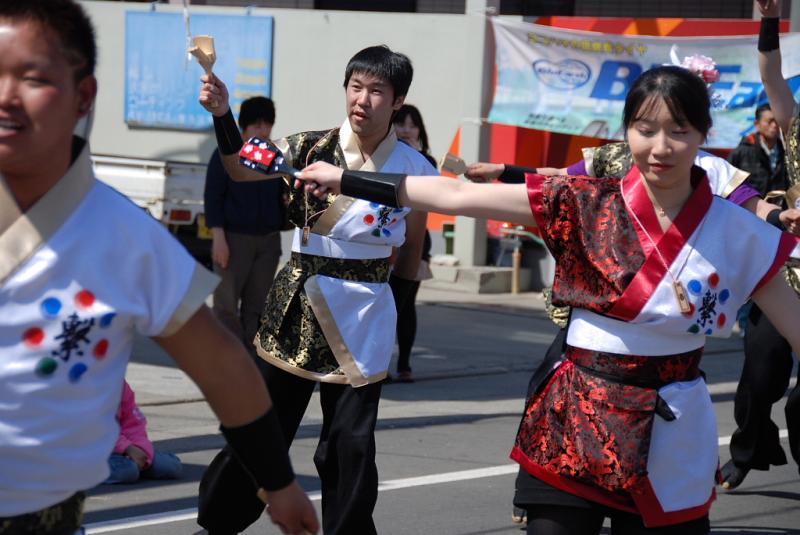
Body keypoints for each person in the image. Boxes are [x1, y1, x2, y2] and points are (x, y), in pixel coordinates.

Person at [298, 64, 800, 534]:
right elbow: (453, 196)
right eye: (646, 130)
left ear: (705, 136)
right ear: (625, 132)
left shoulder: (738, 233)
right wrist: (345, 179)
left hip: (672, 430)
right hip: (573, 417)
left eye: (680, 131)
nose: (661, 147)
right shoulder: (582, 200)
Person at [0, 2, 318, 534]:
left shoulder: (127, 240)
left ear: (84, 95)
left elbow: (224, 369)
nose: (6, 96)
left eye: (31, 77)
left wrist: (279, 484)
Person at [196, 45, 435, 535]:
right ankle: (217, 522)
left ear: (398, 99)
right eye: (355, 87)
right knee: (263, 428)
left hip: (367, 312)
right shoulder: (306, 147)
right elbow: (242, 164)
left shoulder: (416, 167)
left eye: (375, 91)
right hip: (299, 304)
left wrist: (405, 299)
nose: (362, 100)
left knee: (350, 442)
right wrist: (223, 114)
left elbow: (412, 243)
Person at [718, 0, 800, 491]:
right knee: (759, 370)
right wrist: (770, 18)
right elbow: (771, 73)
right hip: (788, 272)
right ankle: (748, 449)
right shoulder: (795, 129)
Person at [204, 95, 285, 362]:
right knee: (226, 305)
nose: (263, 131)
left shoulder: (275, 155)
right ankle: (228, 359)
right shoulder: (227, 154)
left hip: (268, 242)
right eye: (256, 126)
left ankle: (252, 361)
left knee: (257, 306)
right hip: (233, 239)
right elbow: (213, 196)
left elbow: (284, 199)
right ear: (243, 126)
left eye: (267, 125)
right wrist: (218, 238)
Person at [391, 104, 437, 382]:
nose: (406, 129)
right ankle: (378, 365)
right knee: (386, 307)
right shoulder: (382, 157)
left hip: (417, 243)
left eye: (413, 124)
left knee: (405, 305)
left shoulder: (426, 163)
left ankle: (404, 364)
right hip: (386, 242)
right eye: (401, 123)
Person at [103, 381, 183, 484]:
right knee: (128, 471)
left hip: (123, 448)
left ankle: (135, 464)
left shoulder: (120, 385)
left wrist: (141, 450)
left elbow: (134, 424)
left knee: (172, 466)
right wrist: (127, 448)